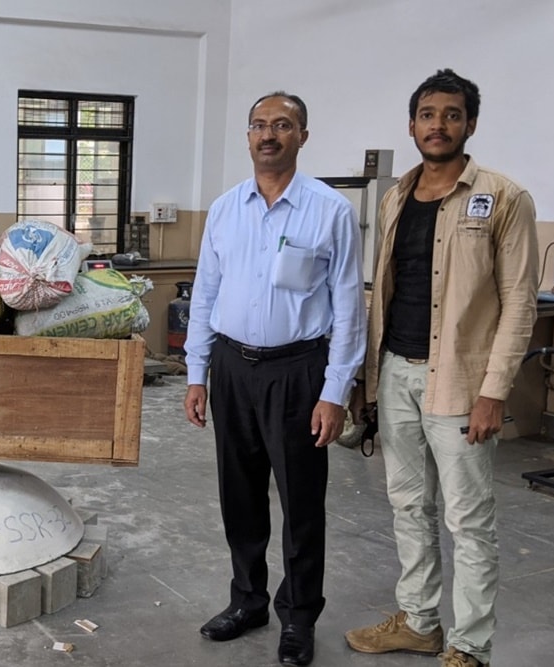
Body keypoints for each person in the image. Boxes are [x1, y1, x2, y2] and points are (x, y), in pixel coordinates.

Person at [344, 69, 537, 667]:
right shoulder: (396, 195)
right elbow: (385, 292)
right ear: (412, 125)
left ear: (469, 124)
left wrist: (494, 392)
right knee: (408, 506)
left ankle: (471, 645)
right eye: (428, 114)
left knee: (469, 520)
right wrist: (366, 380)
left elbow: (520, 302)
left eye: (451, 114)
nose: (438, 124)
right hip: (396, 372)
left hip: (459, 383)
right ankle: (421, 622)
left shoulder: (504, 197)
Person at [183, 92, 366, 666]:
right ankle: (248, 601)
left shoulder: (329, 210)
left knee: (301, 502)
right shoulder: (224, 208)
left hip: (298, 372)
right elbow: (206, 293)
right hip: (233, 369)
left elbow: (347, 308)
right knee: (239, 496)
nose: (269, 135)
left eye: (282, 125)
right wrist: (196, 372)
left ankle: (299, 615)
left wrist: (335, 392)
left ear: (302, 136)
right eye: (259, 125)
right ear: (248, 136)